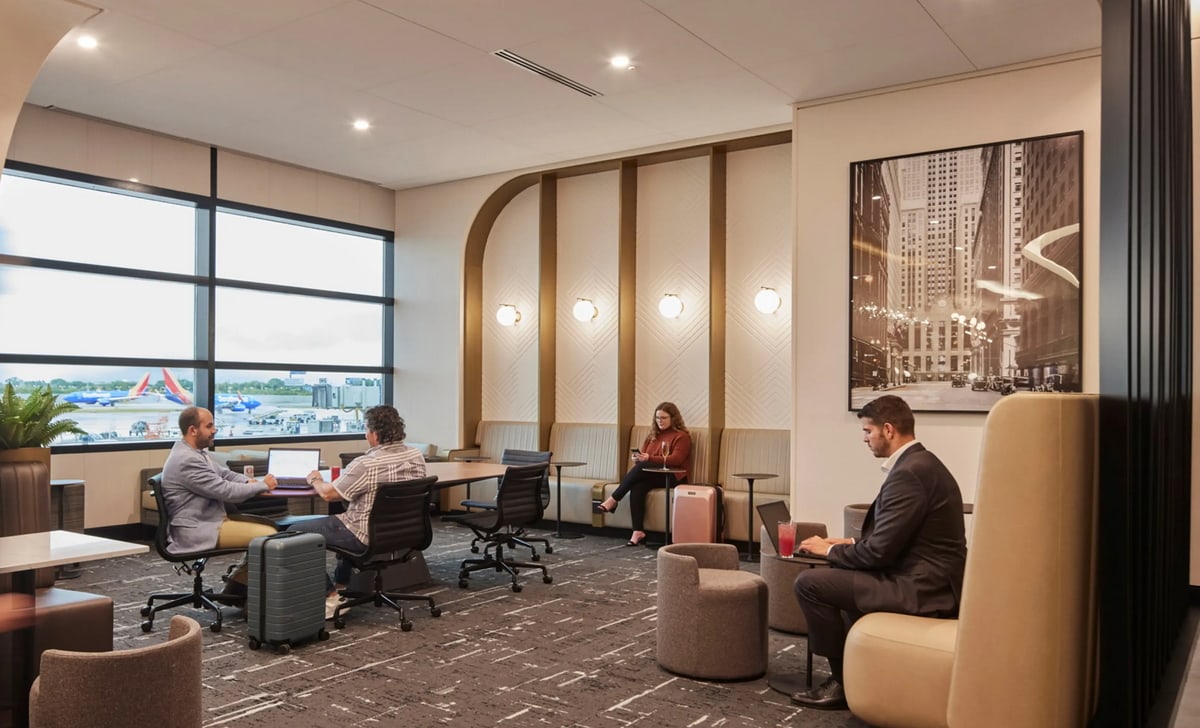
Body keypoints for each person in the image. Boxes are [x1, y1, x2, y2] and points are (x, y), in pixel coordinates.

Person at [790, 395, 966, 710]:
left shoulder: (910, 474)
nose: (864, 439)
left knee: (810, 584)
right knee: (840, 575)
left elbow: (878, 555)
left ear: (887, 430)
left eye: (867, 431)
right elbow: (894, 541)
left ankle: (842, 683)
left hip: (922, 589)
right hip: (927, 578)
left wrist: (829, 552)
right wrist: (844, 545)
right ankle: (857, 674)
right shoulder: (922, 464)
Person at [287, 405, 426, 619]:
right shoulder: (416, 456)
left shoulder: (366, 464)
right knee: (341, 519)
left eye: (366, 429)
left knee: (293, 532)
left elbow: (328, 494)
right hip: (403, 533)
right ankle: (342, 586)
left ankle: (330, 596)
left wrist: (314, 479)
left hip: (364, 535)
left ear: (374, 434)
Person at [160, 406, 279, 591]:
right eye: (209, 426)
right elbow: (226, 491)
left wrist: (249, 481)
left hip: (210, 519)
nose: (214, 430)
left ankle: (237, 587)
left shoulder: (196, 453)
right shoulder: (187, 459)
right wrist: (263, 485)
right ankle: (244, 591)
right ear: (193, 430)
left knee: (270, 529)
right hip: (198, 529)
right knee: (269, 538)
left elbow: (225, 474)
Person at [596, 402, 692, 546]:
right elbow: (645, 457)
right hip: (653, 474)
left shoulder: (682, 436)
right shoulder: (652, 436)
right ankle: (638, 531)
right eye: (657, 418)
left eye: (664, 418)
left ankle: (614, 499)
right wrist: (638, 459)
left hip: (673, 476)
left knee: (644, 466)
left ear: (674, 418)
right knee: (638, 486)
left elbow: (676, 459)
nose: (660, 421)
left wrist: (647, 459)